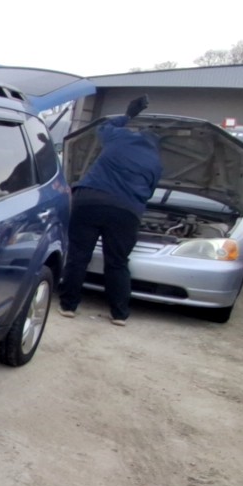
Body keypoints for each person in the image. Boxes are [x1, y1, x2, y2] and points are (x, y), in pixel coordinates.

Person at [59, 96, 162, 326]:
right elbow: (149, 192)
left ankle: (68, 306)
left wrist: (128, 115)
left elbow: (103, 128)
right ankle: (119, 314)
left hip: (89, 201)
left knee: (78, 256)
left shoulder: (119, 137)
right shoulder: (156, 163)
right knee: (117, 262)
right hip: (125, 211)